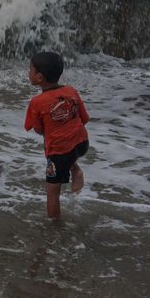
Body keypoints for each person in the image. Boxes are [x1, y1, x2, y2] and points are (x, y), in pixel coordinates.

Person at [24, 51, 91, 219]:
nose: (28, 73)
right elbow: (84, 118)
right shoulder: (71, 91)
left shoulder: (36, 102)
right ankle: (75, 169)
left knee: (52, 192)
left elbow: (38, 130)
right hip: (82, 143)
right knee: (69, 148)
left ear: (39, 77)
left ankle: (54, 226)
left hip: (60, 153)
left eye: (30, 70)